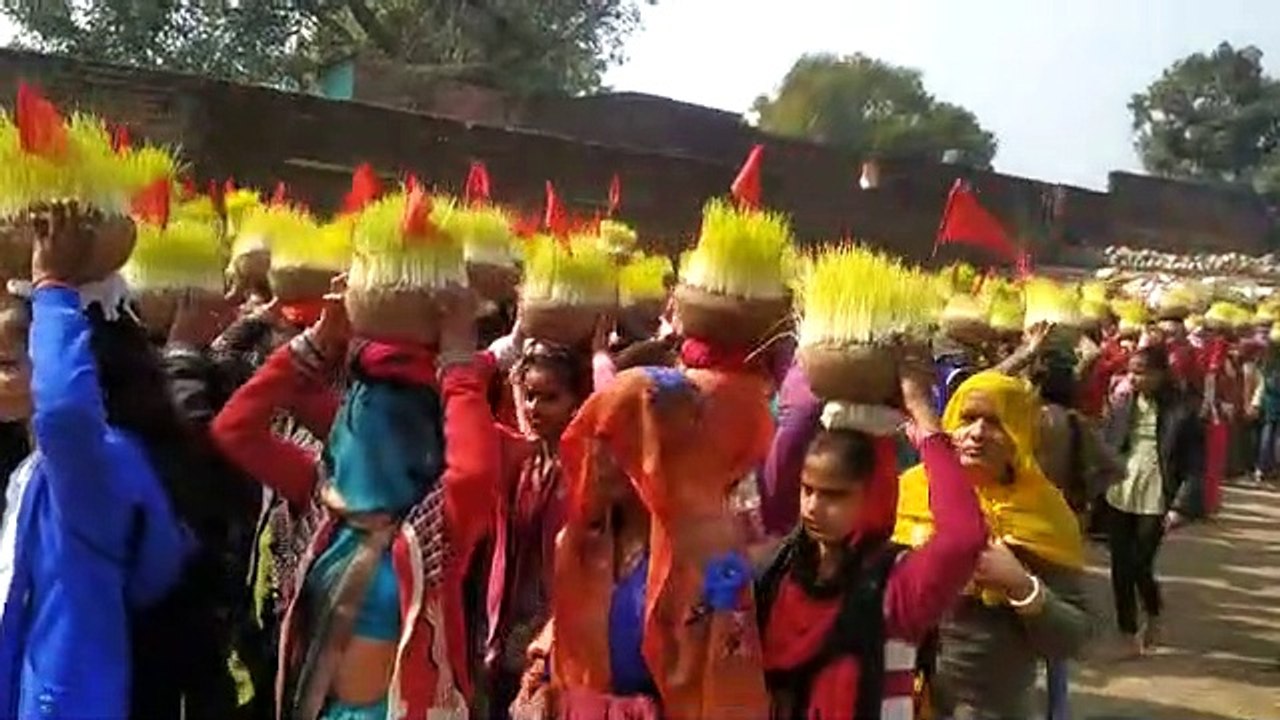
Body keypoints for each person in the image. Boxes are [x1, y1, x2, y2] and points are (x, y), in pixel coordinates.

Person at [211, 282, 500, 719]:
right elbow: (233, 430)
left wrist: (458, 367)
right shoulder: (322, 501)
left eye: (401, 415)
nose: (379, 428)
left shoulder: (434, 527)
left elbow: (476, 470)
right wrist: (316, 342)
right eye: (366, 408)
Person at [0, 209, 194, 718]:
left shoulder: (95, 466)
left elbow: (64, 412)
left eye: (7, 364)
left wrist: (52, 287)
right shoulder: (43, 469)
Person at [514, 361, 776, 719]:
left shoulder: (716, 557)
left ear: (662, 451)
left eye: (616, 442)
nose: (598, 457)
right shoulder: (581, 543)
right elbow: (563, 636)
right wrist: (539, 679)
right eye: (596, 438)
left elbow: (728, 672)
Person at [755, 354, 987, 719]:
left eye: (834, 496)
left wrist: (926, 422)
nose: (813, 507)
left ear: (873, 495)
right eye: (807, 490)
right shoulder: (779, 571)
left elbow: (964, 538)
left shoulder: (895, 586)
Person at [895, 371, 1093, 719]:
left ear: (1020, 435)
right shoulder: (906, 493)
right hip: (900, 700)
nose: (977, 433)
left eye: (996, 423)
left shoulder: (1045, 515)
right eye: (967, 418)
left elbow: (1072, 640)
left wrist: (1022, 586)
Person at [486, 343, 591, 716]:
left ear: (576, 403)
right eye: (530, 396)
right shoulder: (524, 462)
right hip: (510, 626)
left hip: (558, 629)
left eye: (550, 398)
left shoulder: (585, 474)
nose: (535, 408)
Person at [1103, 345, 1204, 657]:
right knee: (1120, 566)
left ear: (1160, 374)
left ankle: (1154, 610)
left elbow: (1194, 465)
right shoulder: (1123, 405)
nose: (1134, 378)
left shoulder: (1182, 412)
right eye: (1131, 371)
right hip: (1120, 489)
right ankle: (1127, 633)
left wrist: (1180, 506)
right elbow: (1107, 447)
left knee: (1140, 564)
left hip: (1157, 492)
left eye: (1141, 372)